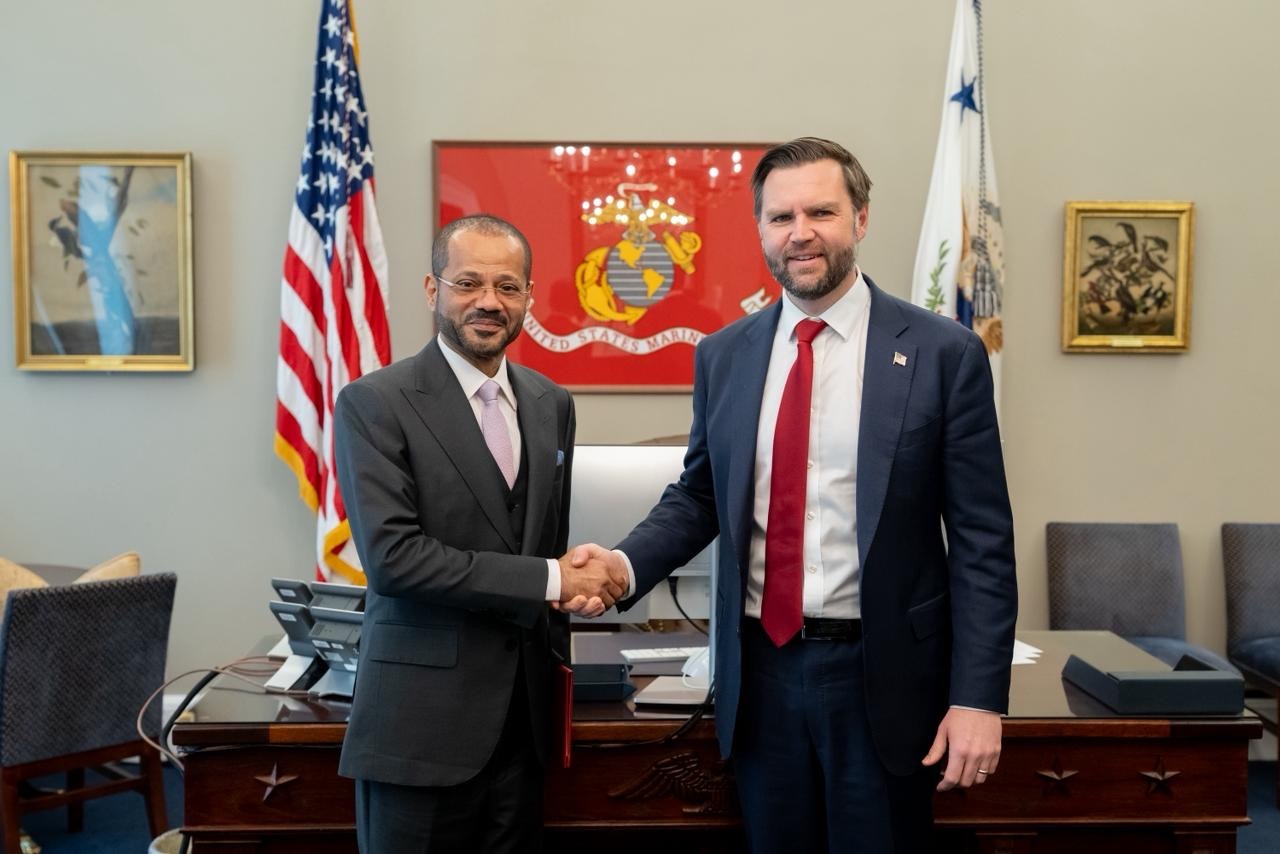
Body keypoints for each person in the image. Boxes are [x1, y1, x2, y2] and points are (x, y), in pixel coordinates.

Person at [569, 137, 1017, 852]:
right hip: (760, 677)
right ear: (761, 230)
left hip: (883, 678)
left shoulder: (942, 353)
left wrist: (978, 698)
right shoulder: (725, 355)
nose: (800, 233)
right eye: (781, 217)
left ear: (860, 218)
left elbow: (982, 543)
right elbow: (700, 497)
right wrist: (622, 566)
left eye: (821, 212)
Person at [333, 214, 626, 853]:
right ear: (432, 290)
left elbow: (544, 546)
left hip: (526, 726)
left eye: (507, 286)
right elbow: (394, 559)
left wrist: (575, 584)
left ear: (529, 298)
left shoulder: (552, 403)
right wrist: (552, 578)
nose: (489, 301)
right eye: (468, 283)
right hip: (421, 730)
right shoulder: (375, 403)